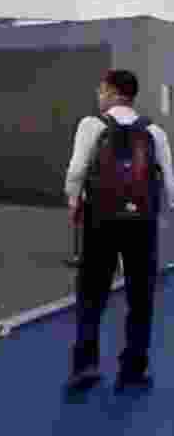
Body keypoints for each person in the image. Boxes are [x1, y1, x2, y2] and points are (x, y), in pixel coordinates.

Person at [64, 69, 174, 393]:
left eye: (101, 90)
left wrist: (74, 202)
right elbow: (169, 183)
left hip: (101, 222)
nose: (99, 96)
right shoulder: (154, 131)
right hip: (142, 224)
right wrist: (162, 215)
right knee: (141, 300)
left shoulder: (91, 125)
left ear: (113, 92)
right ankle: (133, 370)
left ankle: (85, 366)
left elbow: (76, 170)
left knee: (91, 297)